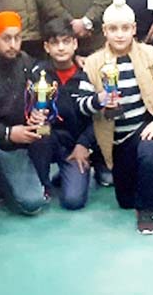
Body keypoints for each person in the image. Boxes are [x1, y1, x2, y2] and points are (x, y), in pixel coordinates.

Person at [77, 0, 153, 235]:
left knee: (152, 148)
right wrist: (100, 100)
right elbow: (81, 105)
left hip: (146, 129)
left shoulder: (151, 55)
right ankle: (151, 180)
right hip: (116, 142)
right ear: (105, 31)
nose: (120, 34)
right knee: (125, 200)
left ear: (134, 29)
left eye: (125, 28)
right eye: (113, 29)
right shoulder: (92, 63)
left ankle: (146, 212)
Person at [0, 12, 52, 214]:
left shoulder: (26, 62)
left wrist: (37, 113)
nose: (13, 45)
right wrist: (7, 133)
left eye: (18, 38)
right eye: (6, 38)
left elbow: (41, 96)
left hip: (19, 146)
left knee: (32, 203)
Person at [30, 17, 99, 210]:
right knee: (39, 136)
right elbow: (29, 108)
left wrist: (84, 144)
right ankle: (42, 182)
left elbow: (98, 116)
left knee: (73, 201)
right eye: (54, 43)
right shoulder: (37, 73)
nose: (61, 48)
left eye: (66, 41)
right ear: (46, 47)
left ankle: (67, 173)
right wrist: (33, 117)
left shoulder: (88, 73)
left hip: (76, 145)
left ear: (75, 44)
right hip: (48, 138)